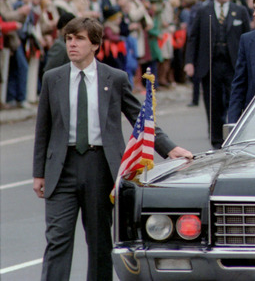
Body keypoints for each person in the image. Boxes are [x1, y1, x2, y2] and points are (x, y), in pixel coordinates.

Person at [32, 17, 192, 281]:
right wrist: (39, 172)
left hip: (100, 167)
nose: (72, 44)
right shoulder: (53, 79)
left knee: (99, 241)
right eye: (69, 39)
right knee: (57, 239)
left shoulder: (114, 78)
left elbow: (138, 117)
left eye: (79, 39)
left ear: (95, 44)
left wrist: (169, 148)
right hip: (61, 168)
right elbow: (43, 129)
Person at [184, 0, 250, 148]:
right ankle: (215, 140)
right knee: (213, 103)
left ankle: (234, 135)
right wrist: (189, 62)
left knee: (234, 100)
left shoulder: (240, 11)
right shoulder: (203, 11)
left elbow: (247, 38)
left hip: (232, 64)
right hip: (210, 64)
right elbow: (193, 38)